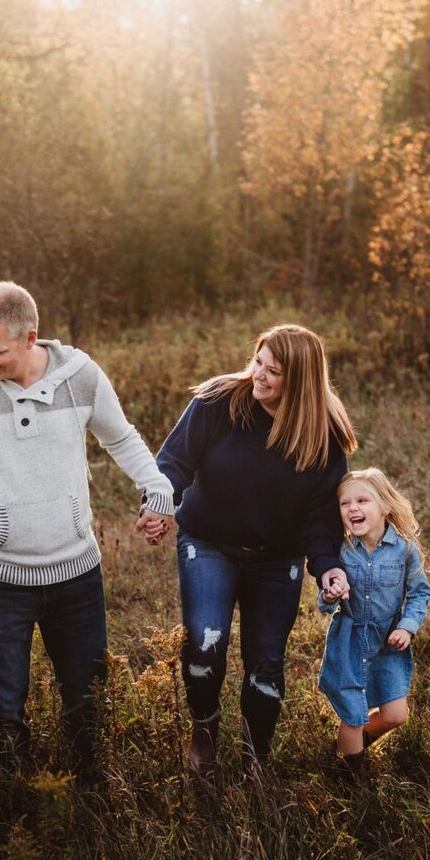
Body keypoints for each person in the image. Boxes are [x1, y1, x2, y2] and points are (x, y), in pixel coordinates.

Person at [0, 281, 175, 781]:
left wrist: (157, 489)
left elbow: (123, 439)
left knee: (88, 701)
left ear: (31, 338)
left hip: (76, 575)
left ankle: (92, 804)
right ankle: (10, 812)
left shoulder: (82, 376)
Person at [154, 324, 355, 774]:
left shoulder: (324, 434)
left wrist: (327, 567)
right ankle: (204, 732)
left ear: (300, 382)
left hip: (276, 558)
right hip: (208, 542)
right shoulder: (218, 401)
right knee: (207, 644)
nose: (257, 375)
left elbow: (321, 517)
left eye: (273, 371)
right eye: (257, 362)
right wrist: (159, 502)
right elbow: (174, 461)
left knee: (266, 663)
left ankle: (256, 757)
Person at [318, 467, 430, 778]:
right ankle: (351, 777)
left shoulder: (404, 549)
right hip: (350, 640)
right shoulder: (339, 552)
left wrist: (407, 626)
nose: (353, 508)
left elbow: (421, 592)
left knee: (395, 715)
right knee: (353, 715)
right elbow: (324, 601)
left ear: (385, 507)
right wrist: (331, 594)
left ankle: (352, 746)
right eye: (345, 503)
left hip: (387, 642)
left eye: (362, 501)